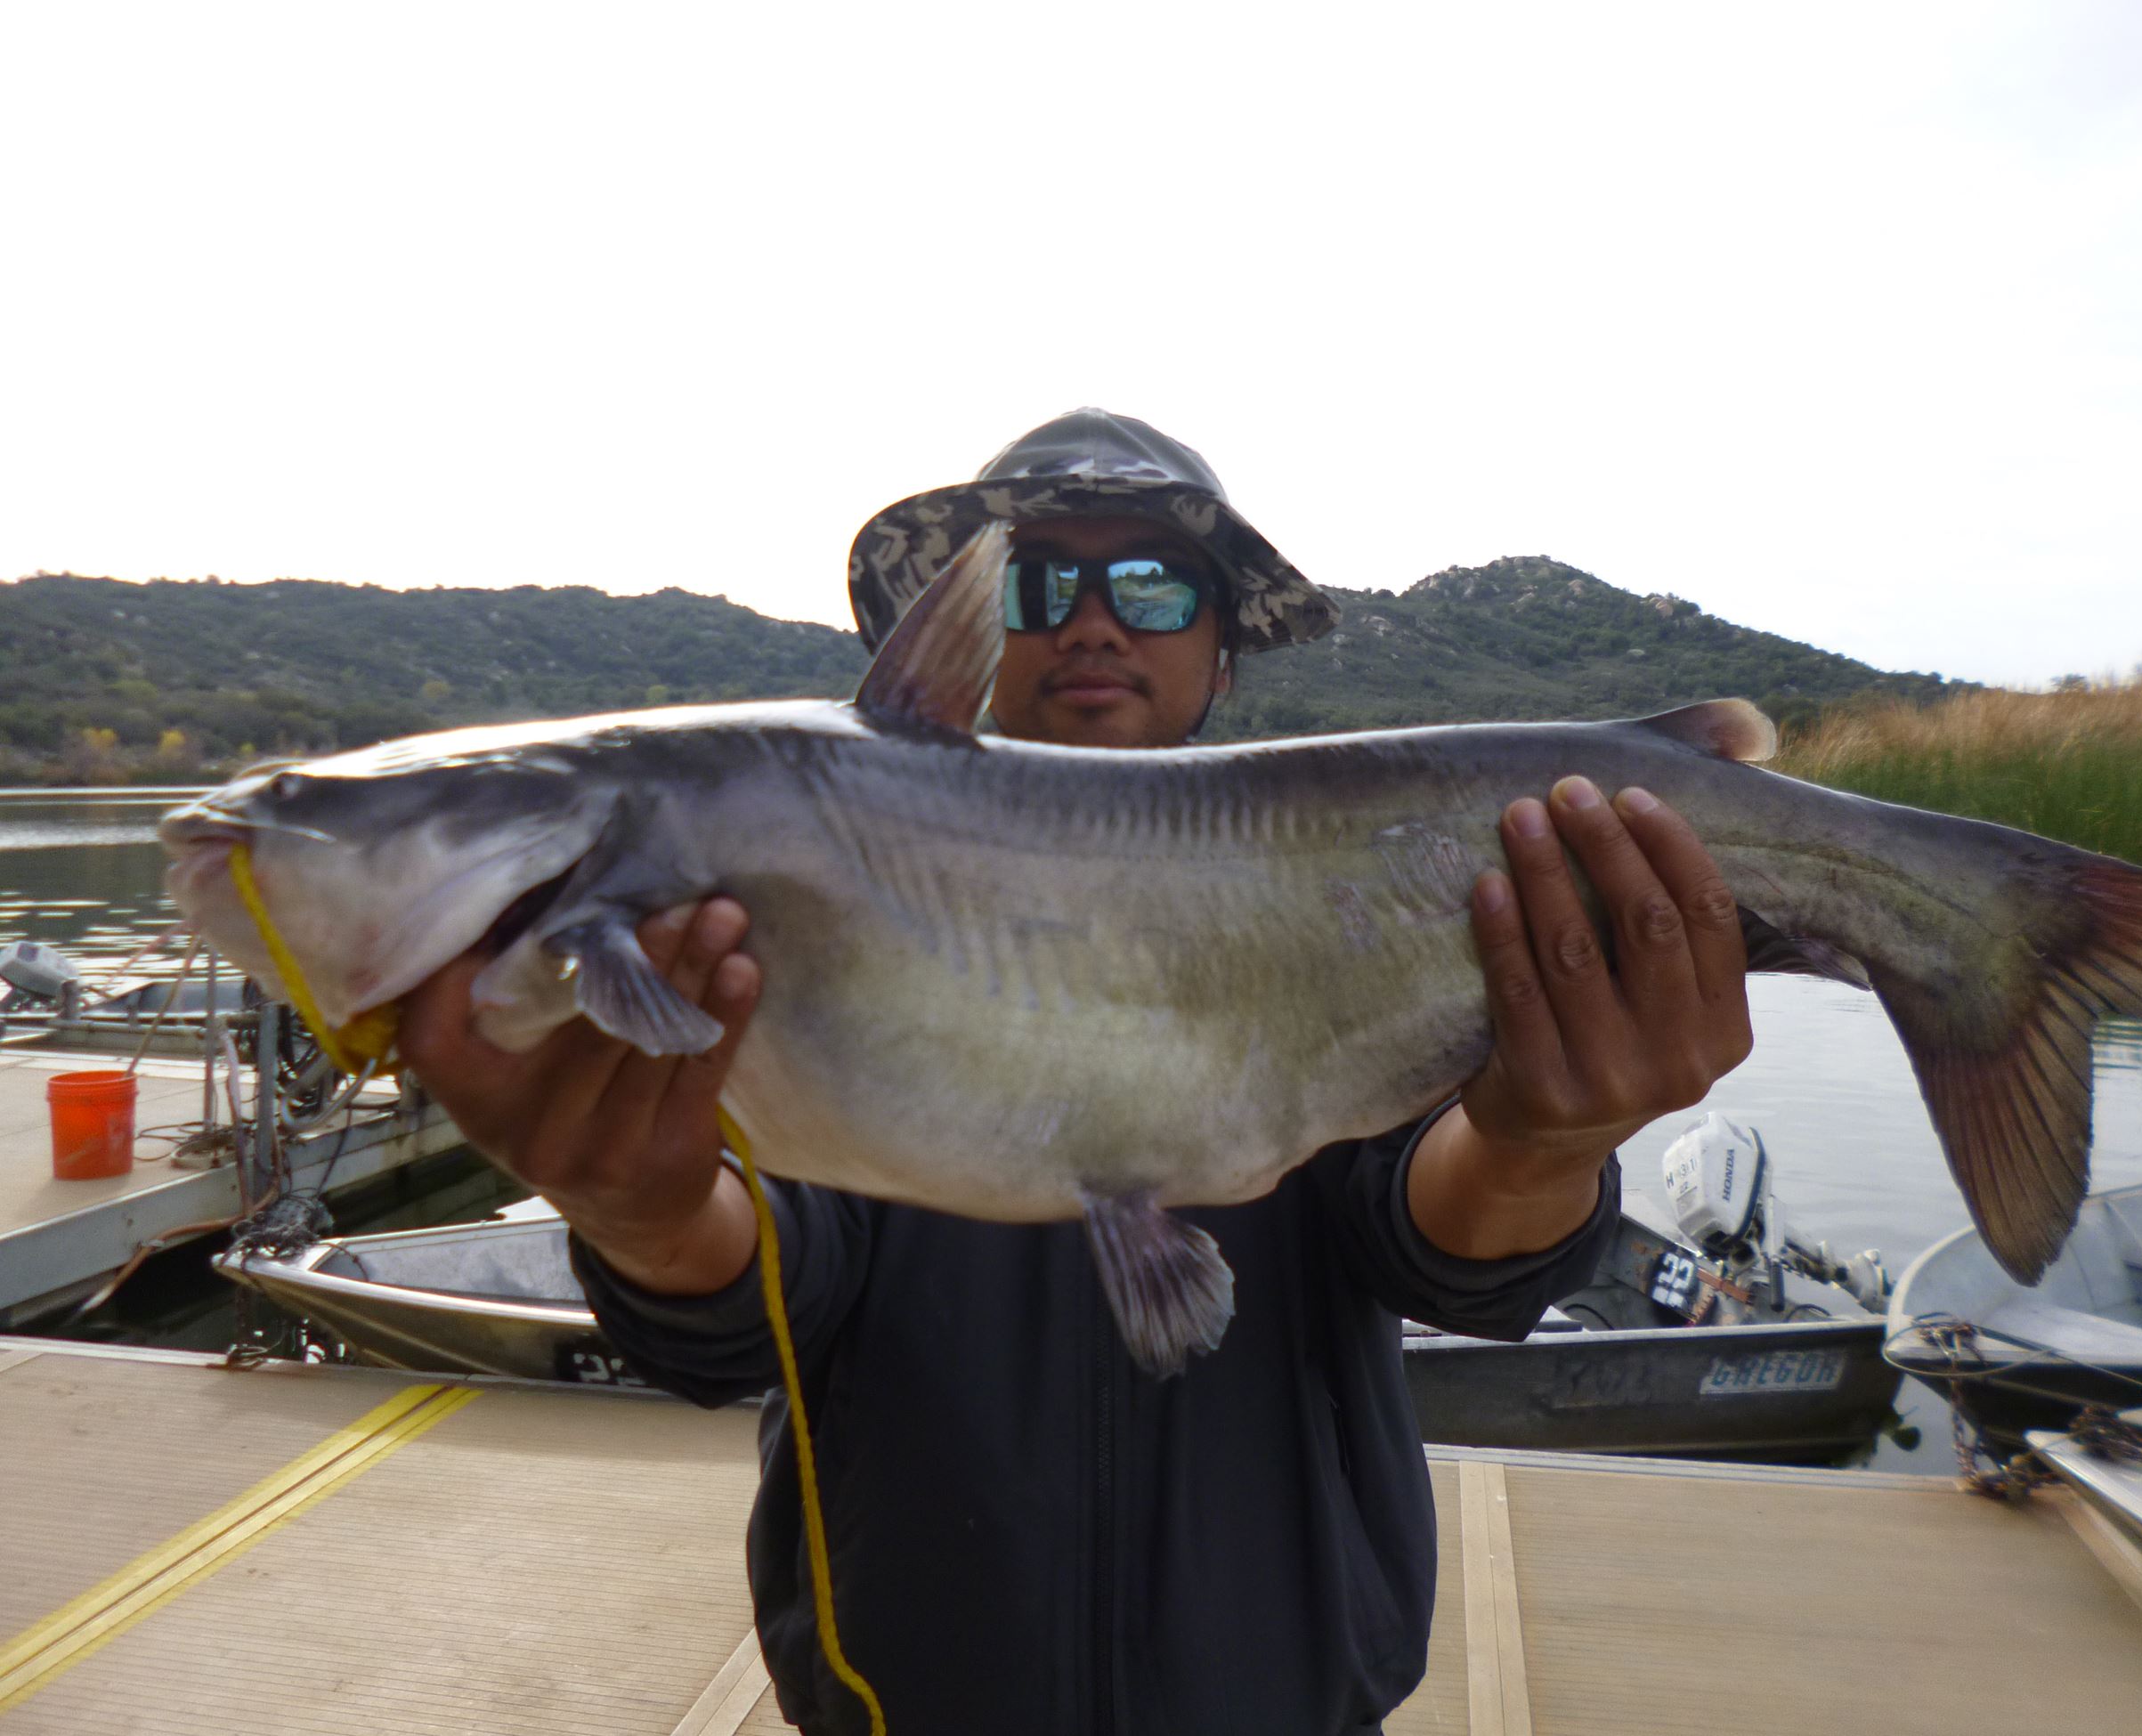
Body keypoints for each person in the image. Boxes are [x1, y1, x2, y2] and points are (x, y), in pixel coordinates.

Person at [397, 410, 1756, 1734]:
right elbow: (764, 1275)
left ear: (1222, 650)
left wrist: (1543, 1140)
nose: (1095, 621)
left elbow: (1425, 1234)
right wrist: (637, 1209)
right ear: (963, 639)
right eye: (1040, 582)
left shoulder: (1356, 903)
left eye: (1156, 585)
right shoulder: (781, 901)